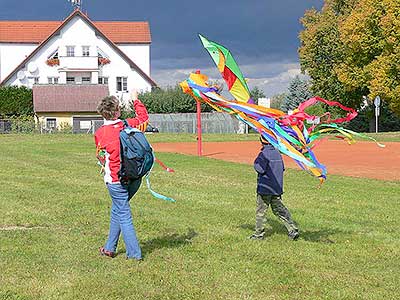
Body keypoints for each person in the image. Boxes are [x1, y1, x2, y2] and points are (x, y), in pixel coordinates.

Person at [94, 90, 149, 260]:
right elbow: (144, 119)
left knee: (123, 213)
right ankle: (110, 248)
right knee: (118, 209)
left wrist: (105, 164)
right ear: (118, 111)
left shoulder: (100, 133)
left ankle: (134, 254)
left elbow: (101, 155)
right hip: (134, 177)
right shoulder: (129, 124)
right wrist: (135, 100)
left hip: (116, 181)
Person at [249, 137, 299, 240]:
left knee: (261, 211)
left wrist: (256, 162)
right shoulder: (277, 153)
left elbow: (260, 169)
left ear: (262, 141)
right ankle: (292, 229)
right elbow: (282, 168)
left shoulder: (264, 154)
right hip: (276, 188)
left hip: (265, 188)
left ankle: (258, 234)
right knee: (280, 210)